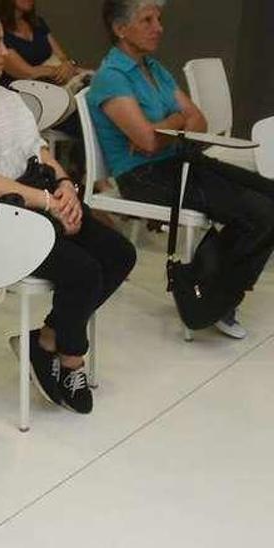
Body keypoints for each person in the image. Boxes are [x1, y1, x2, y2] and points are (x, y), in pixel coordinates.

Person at [0, 2, 136, 415]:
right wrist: (49, 201)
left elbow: (38, 151)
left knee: (120, 253)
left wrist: (65, 186)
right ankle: (71, 358)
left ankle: (47, 338)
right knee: (83, 270)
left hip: (27, 208)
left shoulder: (4, 98)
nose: (4, 51)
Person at [87, 0, 274, 339]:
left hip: (176, 163)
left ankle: (206, 281)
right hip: (142, 177)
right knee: (260, 213)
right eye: (147, 19)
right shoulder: (111, 78)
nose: (158, 26)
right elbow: (146, 141)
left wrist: (167, 128)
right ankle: (215, 298)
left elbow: (198, 120)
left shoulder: (154, 69)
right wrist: (175, 124)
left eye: (159, 18)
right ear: (120, 29)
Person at [0, 0, 87, 87]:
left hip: (54, 83)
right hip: (24, 93)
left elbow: (62, 57)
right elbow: (28, 73)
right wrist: (59, 70)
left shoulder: (37, 23)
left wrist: (69, 64)